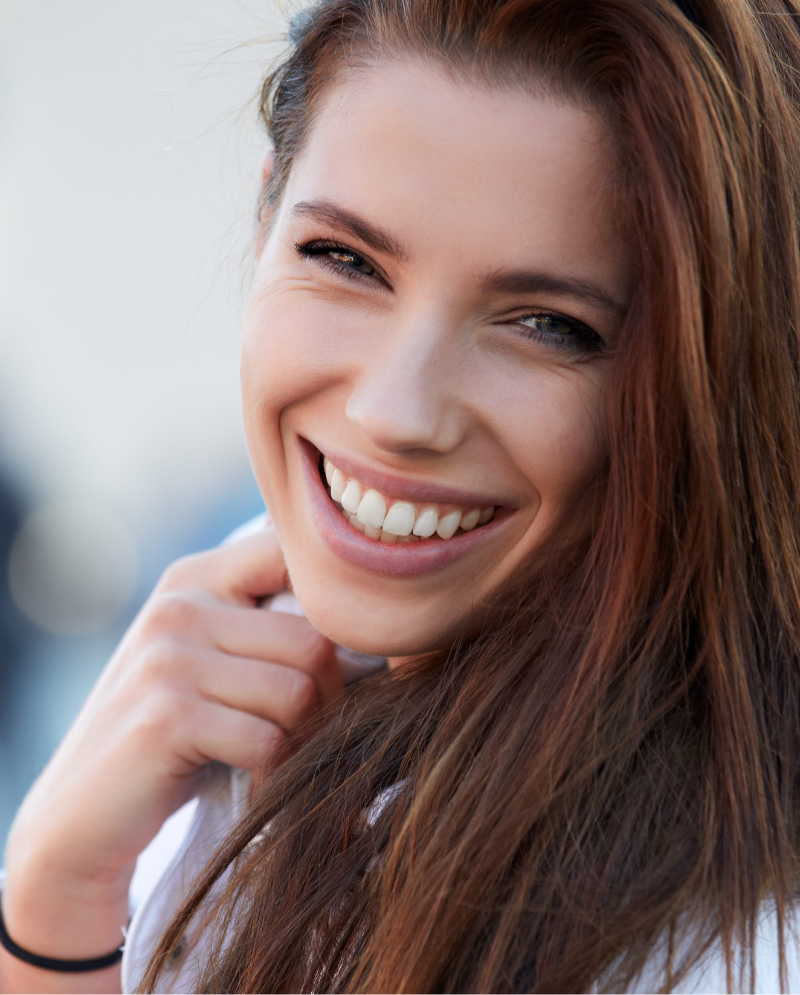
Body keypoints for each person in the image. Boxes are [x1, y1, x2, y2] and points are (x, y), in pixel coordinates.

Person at [3, 0, 800, 990]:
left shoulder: (717, 946)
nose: (393, 412)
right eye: (343, 259)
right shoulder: (264, 638)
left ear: (707, 375)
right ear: (264, 217)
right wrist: (59, 891)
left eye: (549, 326)